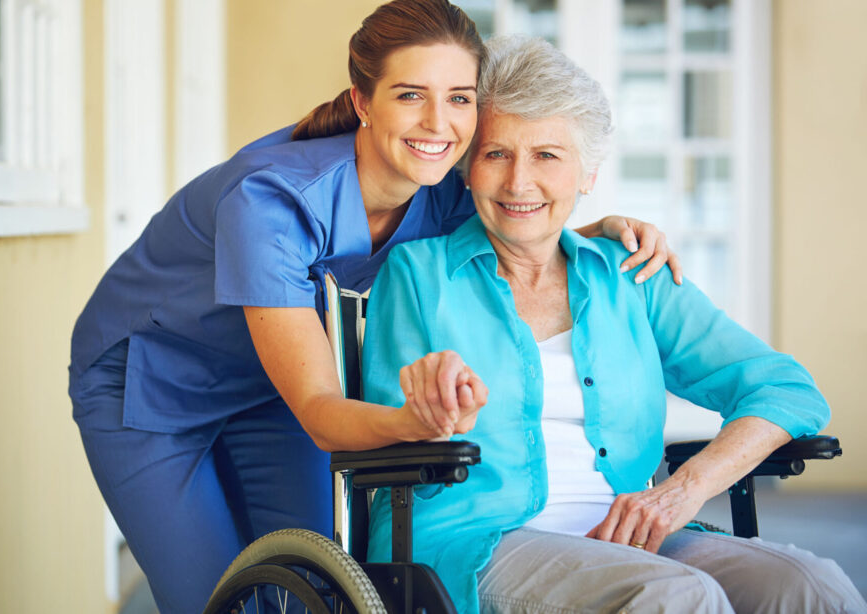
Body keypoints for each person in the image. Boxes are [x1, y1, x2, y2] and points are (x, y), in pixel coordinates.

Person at [69, 2, 679, 611]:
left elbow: (523, 225)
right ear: (363, 101)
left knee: (317, 587)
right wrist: (413, 425)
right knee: (213, 597)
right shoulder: (271, 202)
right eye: (411, 95)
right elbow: (320, 411)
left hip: (275, 385)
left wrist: (602, 231)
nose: (438, 123)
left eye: (459, 98)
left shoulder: (442, 193)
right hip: (152, 385)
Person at [362, 35, 866, 614]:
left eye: (547, 156)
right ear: (468, 169)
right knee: (677, 595)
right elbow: (391, 433)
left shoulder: (632, 275)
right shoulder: (419, 274)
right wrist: (434, 413)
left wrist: (685, 489)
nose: (519, 182)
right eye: (496, 154)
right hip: (472, 541)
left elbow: (786, 389)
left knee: (810, 585)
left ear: (589, 174)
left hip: (630, 536)